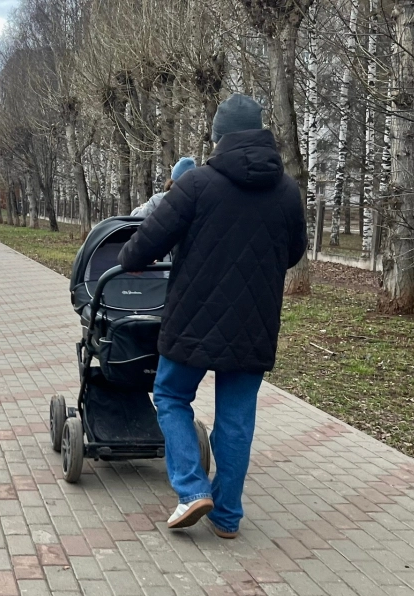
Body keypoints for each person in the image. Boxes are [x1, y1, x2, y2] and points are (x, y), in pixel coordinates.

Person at [118, 93, 307, 538]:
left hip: (194, 320)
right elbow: (294, 252)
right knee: (236, 420)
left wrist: (129, 258)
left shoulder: (197, 183)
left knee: (170, 396)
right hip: (255, 323)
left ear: (219, 137)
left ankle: (190, 489)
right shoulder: (286, 190)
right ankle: (226, 516)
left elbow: (147, 242)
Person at [132, 157, 196, 218]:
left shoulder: (157, 200)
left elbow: (135, 219)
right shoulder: (200, 204)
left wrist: (140, 208)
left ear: (173, 179)